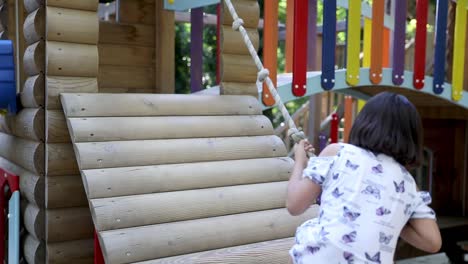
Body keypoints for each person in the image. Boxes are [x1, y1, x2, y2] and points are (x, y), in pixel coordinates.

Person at [286, 92, 442, 264]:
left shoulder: (337, 152)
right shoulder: (407, 183)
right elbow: (432, 242)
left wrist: (299, 162)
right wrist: (389, 218)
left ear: (364, 123)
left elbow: (294, 205)